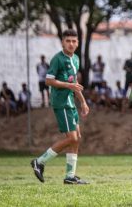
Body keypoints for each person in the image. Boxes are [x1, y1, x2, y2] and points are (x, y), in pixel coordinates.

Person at [30, 29, 90, 185]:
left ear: (77, 43)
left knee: (77, 139)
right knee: (72, 138)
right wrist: (68, 85)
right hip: (61, 103)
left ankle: (70, 176)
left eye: (74, 41)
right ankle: (39, 162)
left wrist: (83, 101)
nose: (71, 43)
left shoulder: (76, 59)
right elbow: (48, 81)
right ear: (63, 42)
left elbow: (75, 84)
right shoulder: (57, 59)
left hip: (70, 103)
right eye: (68, 41)